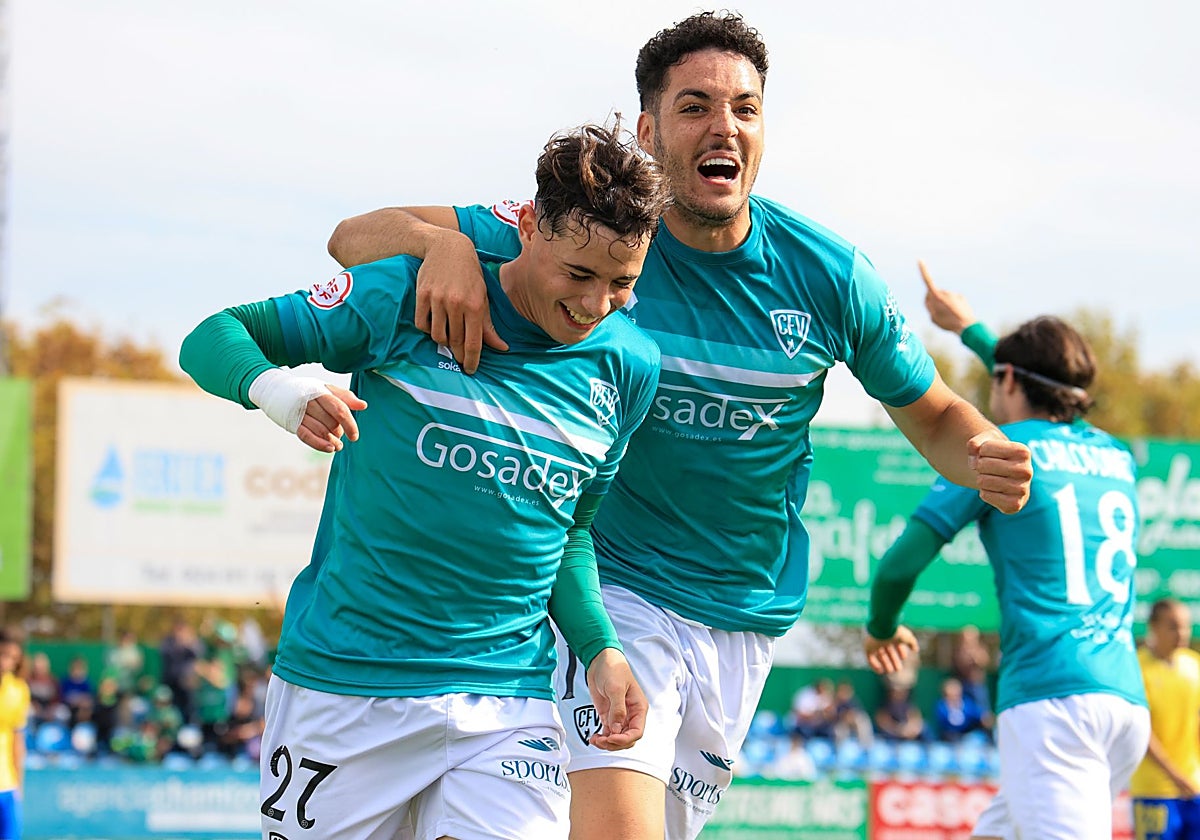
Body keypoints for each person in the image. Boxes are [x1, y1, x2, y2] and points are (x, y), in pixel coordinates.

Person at [325, 12, 1034, 839]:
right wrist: (431, 246)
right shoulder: (596, 234)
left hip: (746, 621)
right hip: (613, 594)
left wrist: (986, 451)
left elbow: (936, 414)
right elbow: (350, 237)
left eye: (744, 107)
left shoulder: (831, 275)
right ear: (648, 128)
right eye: (695, 106)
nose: (722, 126)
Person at [180, 121, 667, 839]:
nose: (596, 305)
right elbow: (213, 336)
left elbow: (570, 532)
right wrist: (282, 394)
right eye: (579, 274)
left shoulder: (630, 365)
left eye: (622, 283)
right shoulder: (407, 296)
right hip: (346, 686)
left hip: (508, 703)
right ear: (528, 227)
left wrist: (600, 648)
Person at [864, 266, 1149, 840]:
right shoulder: (1116, 456)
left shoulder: (999, 455)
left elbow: (899, 564)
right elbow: (1048, 383)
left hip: (1054, 704)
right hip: (1122, 705)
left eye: (996, 378)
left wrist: (881, 628)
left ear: (1010, 378)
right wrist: (968, 328)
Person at [1130, 598, 1200, 840]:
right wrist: (1176, 776)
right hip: (1154, 790)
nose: (1181, 633)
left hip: (1193, 787)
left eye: (1185, 626)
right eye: (1173, 626)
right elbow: (1142, 733)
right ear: (1154, 627)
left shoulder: (1193, 665)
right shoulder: (1136, 668)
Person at [0, 636, 29, 840]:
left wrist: (19, 784)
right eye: (2, 654)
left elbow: (18, 741)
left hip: (6, 785)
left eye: (11, 657)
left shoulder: (18, 691)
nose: (5, 662)